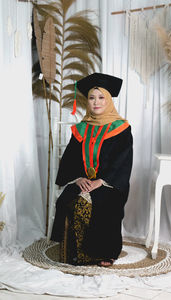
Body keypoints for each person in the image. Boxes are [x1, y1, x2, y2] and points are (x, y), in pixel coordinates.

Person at [51, 73, 133, 267]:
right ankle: (75, 252)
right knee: (69, 200)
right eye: (91, 97)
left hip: (110, 183)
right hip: (83, 181)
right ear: (87, 101)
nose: (96, 102)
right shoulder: (80, 128)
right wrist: (78, 178)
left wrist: (101, 181)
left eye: (101, 97)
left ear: (109, 100)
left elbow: (122, 162)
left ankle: (106, 252)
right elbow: (70, 160)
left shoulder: (121, 128)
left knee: (105, 203)